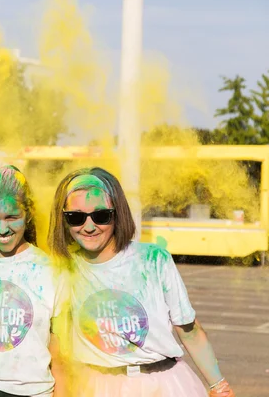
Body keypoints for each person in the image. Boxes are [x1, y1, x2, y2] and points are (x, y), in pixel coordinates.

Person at [47, 167, 235, 397]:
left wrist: (219, 386)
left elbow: (189, 331)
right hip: (93, 388)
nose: (88, 226)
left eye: (101, 215)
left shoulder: (154, 260)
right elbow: (57, 349)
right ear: (63, 219)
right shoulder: (62, 269)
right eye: (75, 217)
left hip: (164, 386)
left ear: (117, 213)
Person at [0, 166, 69, 397]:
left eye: (12, 217)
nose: (3, 228)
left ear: (28, 213)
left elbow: (60, 357)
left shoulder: (53, 271)